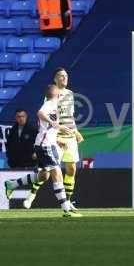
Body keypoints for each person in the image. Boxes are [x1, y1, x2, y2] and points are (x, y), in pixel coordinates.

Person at [4, 85, 82, 217]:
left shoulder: (55, 106)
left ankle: (12, 184)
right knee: (57, 173)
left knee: (43, 176)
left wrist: (58, 138)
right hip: (45, 146)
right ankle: (66, 209)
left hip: (44, 144)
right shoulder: (49, 104)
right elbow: (40, 113)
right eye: (60, 93)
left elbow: (49, 128)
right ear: (57, 94)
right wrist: (55, 124)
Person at [23, 67, 84, 210]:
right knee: (46, 172)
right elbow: (48, 118)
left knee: (71, 169)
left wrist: (76, 131)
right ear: (55, 79)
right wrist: (55, 138)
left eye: (66, 75)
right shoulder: (51, 96)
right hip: (56, 137)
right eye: (61, 76)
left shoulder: (70, 94)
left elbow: (69, 116)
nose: (64, 78)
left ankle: (68, 201)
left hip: (69, 136)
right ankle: (31, 195)